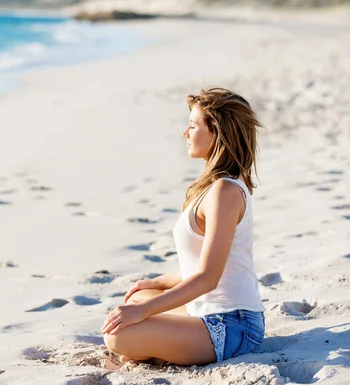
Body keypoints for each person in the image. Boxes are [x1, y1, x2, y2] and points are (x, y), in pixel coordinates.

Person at [101, 88, 266, 366]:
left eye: (192, 126)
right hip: (209, 312)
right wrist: (156, 283)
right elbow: (205, 262)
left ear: (217, 133)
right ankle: (159, 344)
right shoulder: (215, 187)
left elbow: (208, 277)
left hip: (232, 326)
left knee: (120, 335)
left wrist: (144, 312)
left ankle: (155, 347)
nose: (185, 133)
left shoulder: (225, 191)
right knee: (139, 296)